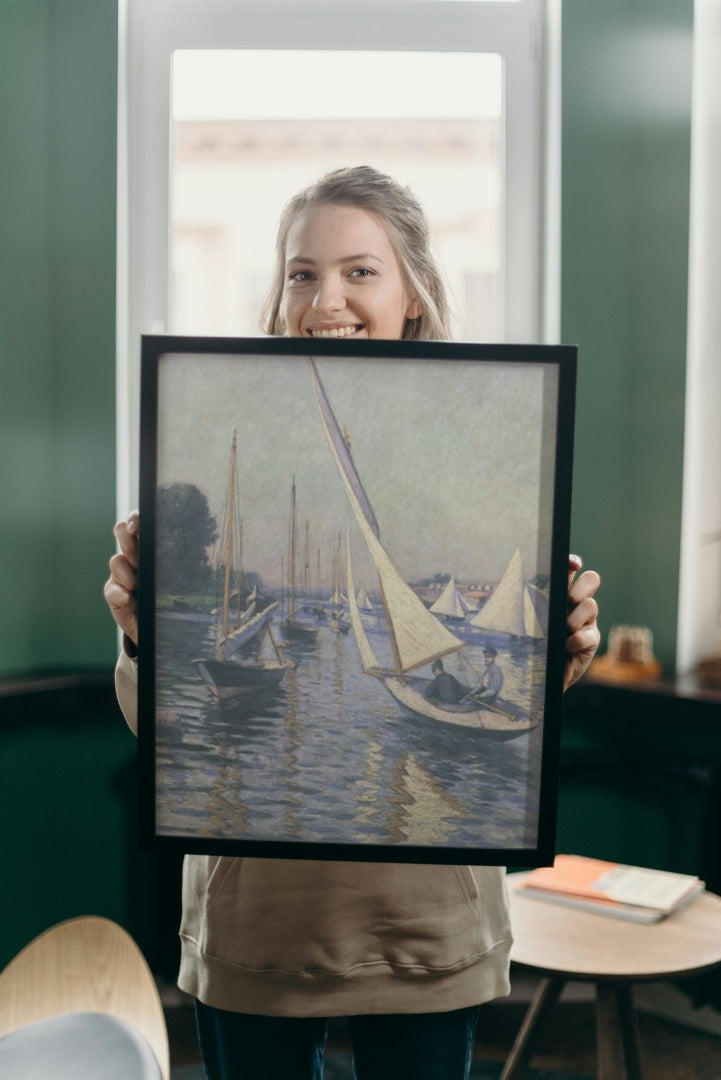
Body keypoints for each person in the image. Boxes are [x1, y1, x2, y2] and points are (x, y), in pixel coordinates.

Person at [105, 166, 601, 1080]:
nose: (324, 297)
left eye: (359, 271)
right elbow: (165, 733)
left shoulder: (493, 427)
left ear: (413, 292)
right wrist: (142, 636)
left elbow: (531, 717)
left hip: (426, 926)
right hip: (256, 928)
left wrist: (561, 653)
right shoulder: (206, 419)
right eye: (301, 272)